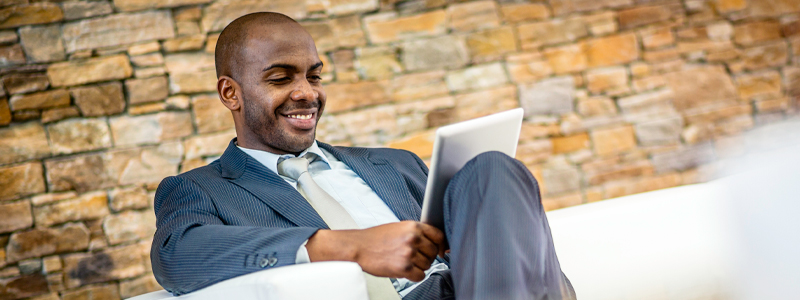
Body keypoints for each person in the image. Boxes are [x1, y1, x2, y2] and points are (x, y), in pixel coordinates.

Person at [151, 12, 576, 300]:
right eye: (280, 78)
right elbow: (177, 254)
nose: (307, 93)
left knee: (492, 168)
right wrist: (352, 246)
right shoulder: (199, 190)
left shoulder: (395, 163)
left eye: (314, 76)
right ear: (231, 93)